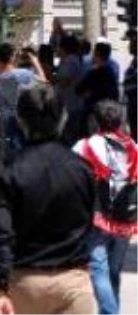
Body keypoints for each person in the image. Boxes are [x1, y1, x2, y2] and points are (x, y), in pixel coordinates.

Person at [0, 85, 96, 315]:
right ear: (63, 118)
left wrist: (1, 288)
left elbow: (1, 235)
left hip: (24, 283)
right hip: (74, 283)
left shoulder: (7, 171)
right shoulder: (83, 169)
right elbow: (90, 224)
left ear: (20, 119)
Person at [72, 100, 138, 315]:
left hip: (97, 216)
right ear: (121, 121)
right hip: (126, 217)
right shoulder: (134, 148)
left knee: (99, 270)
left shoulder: (84, 146)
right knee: (113, 271)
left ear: (95, 121)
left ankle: (110, 313)